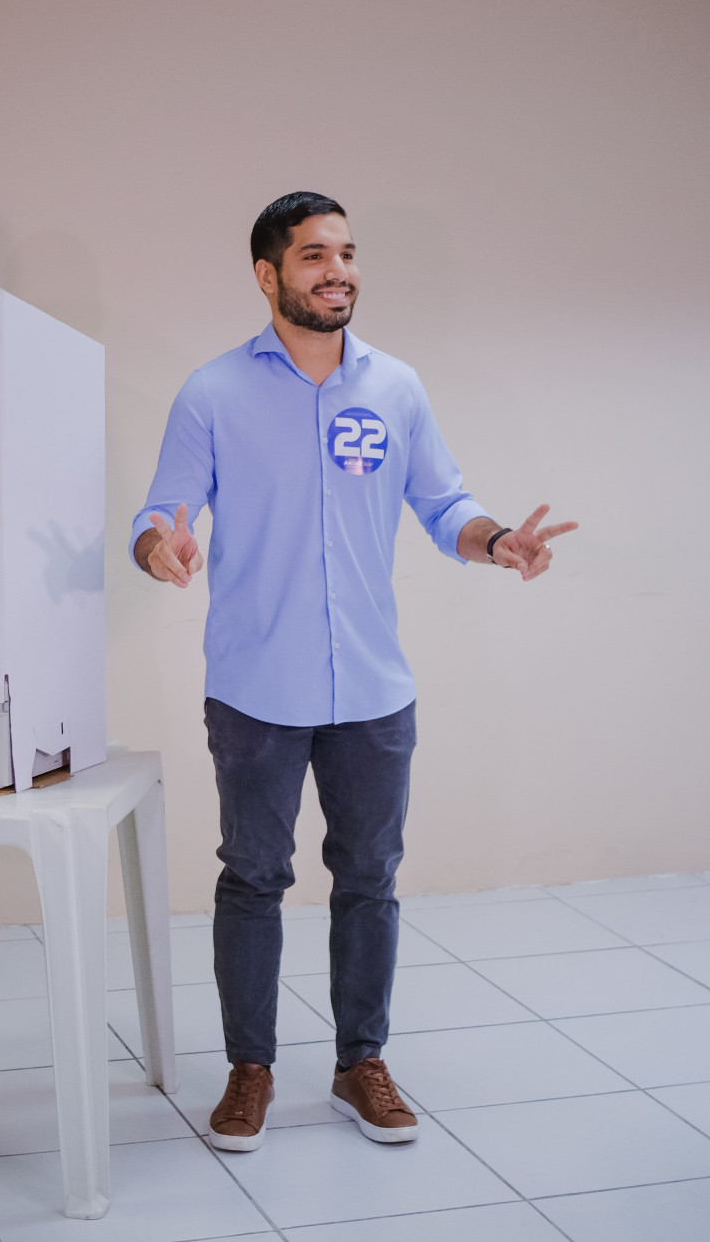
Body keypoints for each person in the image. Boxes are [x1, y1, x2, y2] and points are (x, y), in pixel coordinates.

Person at [130, 191, 575, 1151]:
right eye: (312, 255)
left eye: (346, 252)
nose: (338, 270)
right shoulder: (213, 393)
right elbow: (161, 510)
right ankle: (250, 1070)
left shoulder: (396, 387)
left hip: (373, 688)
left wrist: (497, 541)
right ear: (268, 275)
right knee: (253, 877)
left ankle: (359, 1063)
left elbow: (444, 499)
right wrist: (158, 549)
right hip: (256, 689)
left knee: (369, 877)